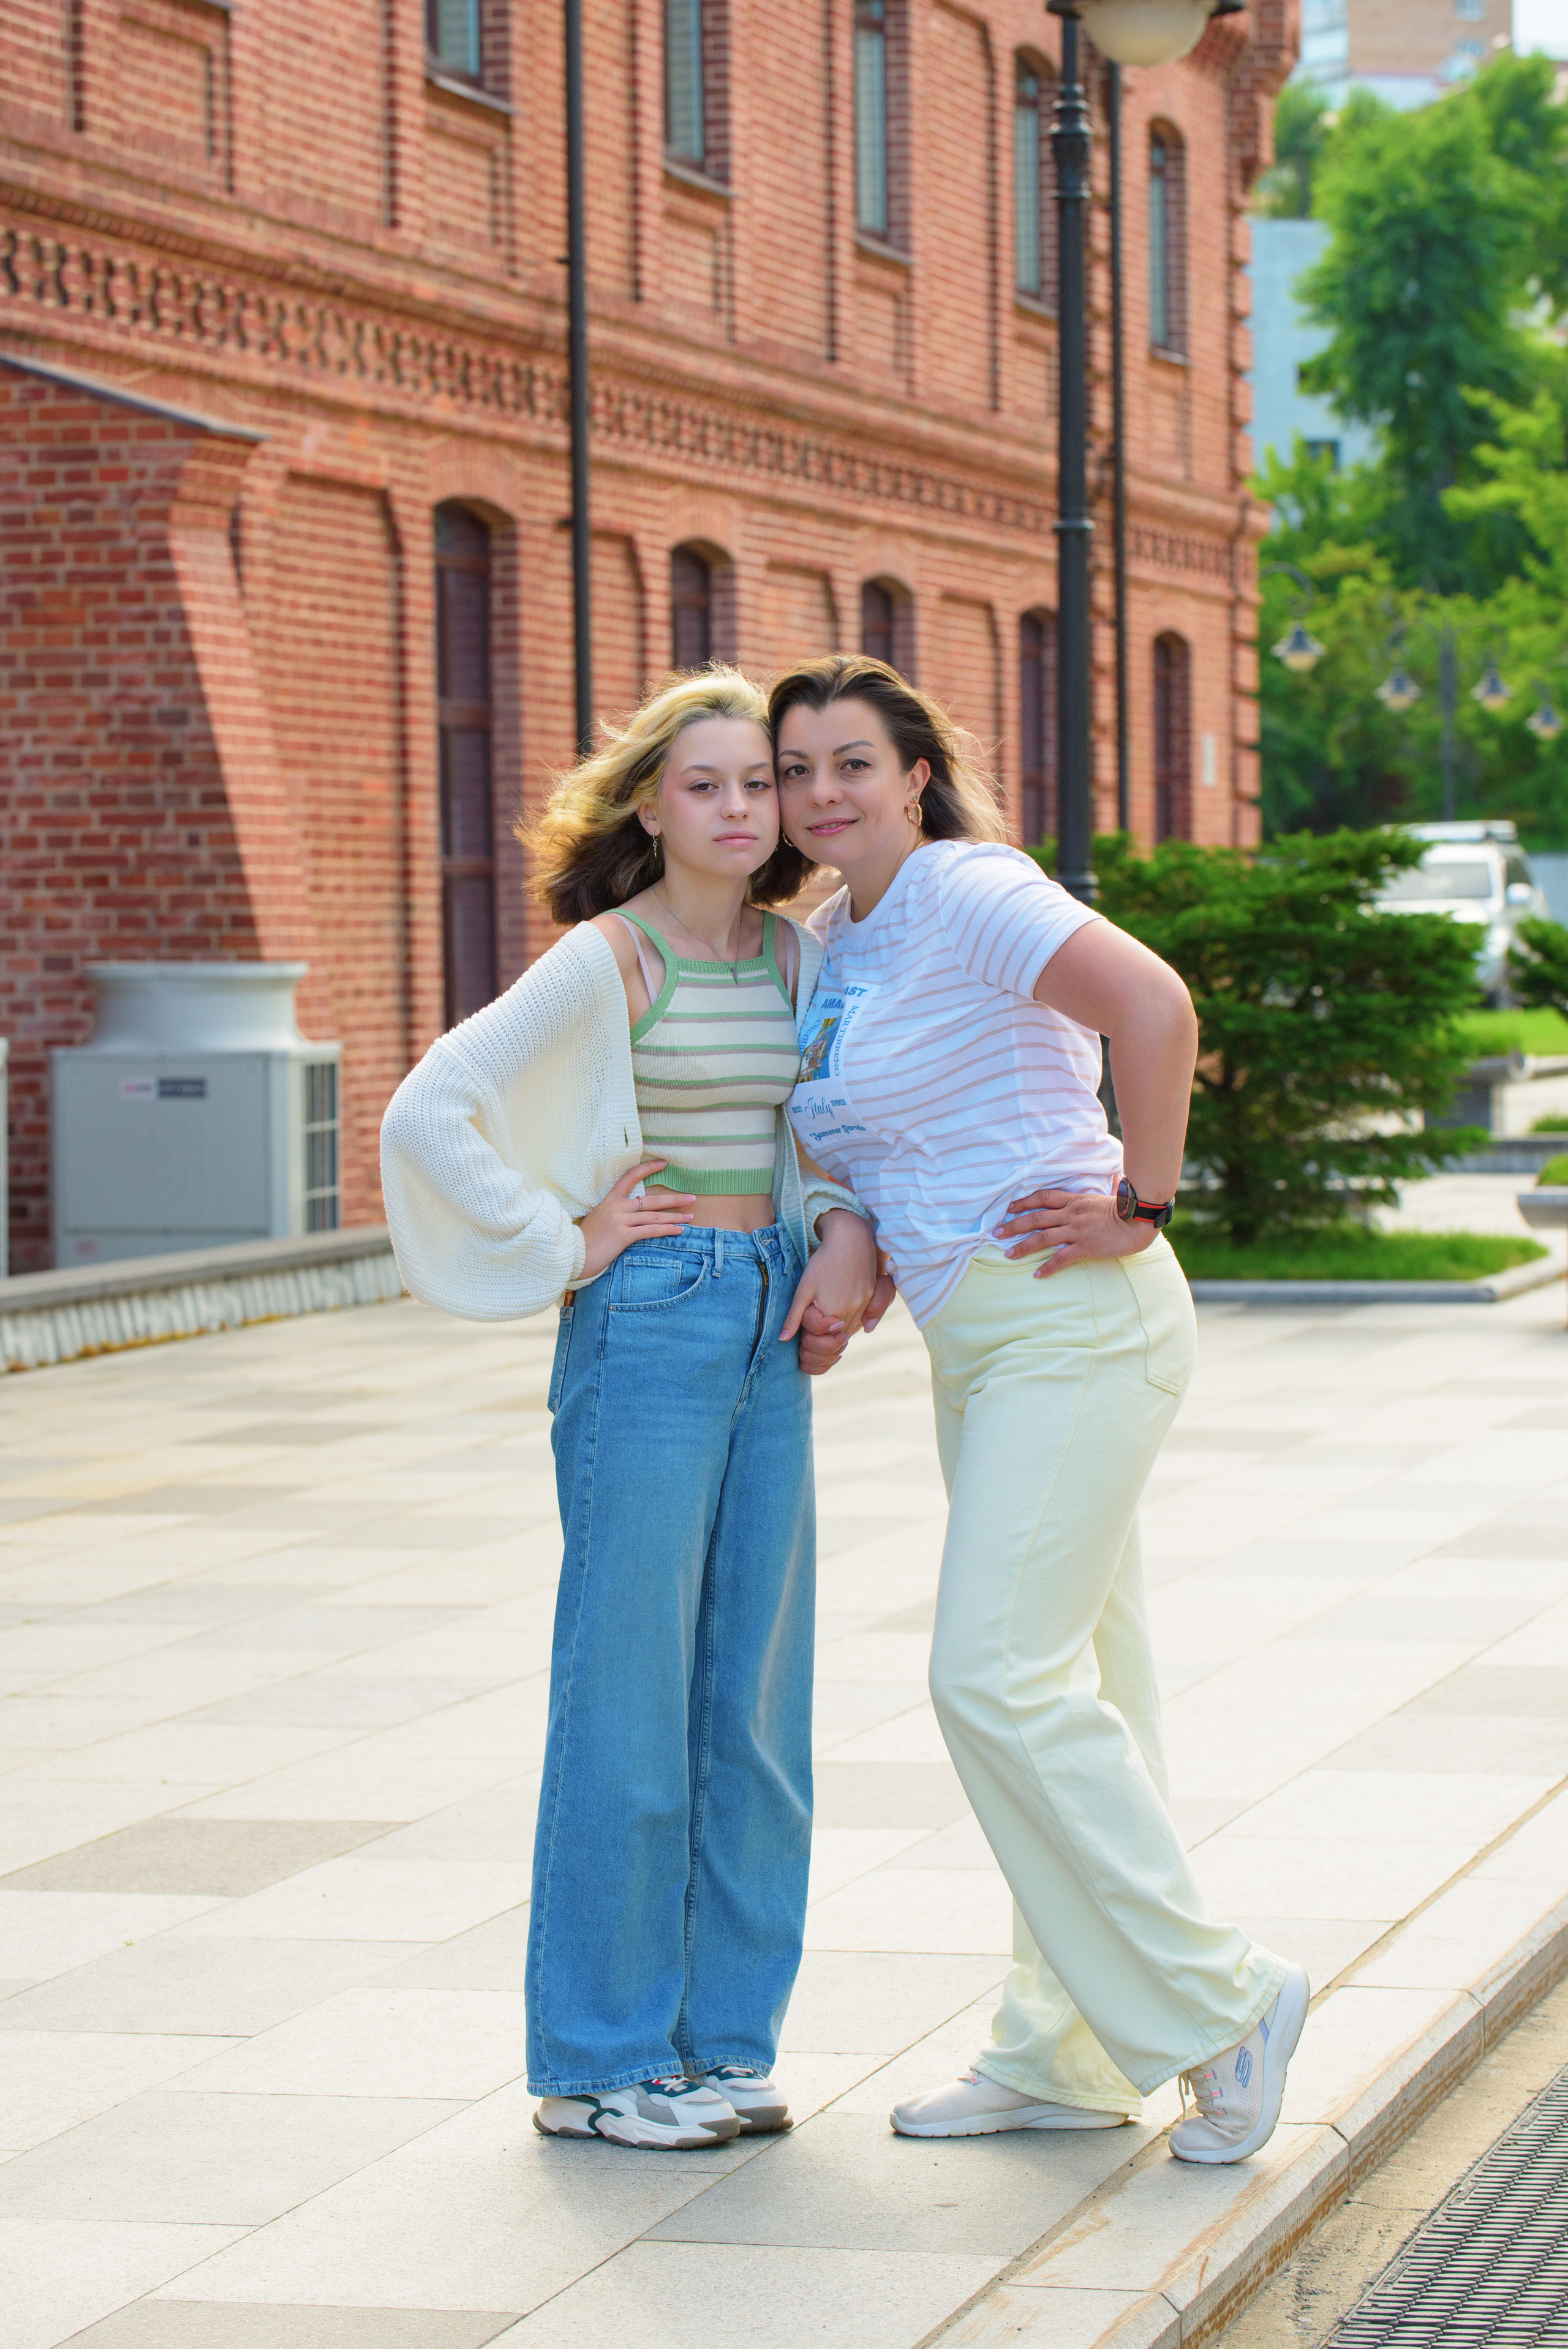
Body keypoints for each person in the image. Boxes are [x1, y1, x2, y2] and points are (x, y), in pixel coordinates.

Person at [770, 653, 1308, 2167]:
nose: (819, 794)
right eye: (798, 767)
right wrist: (855, 1232)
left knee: (989, 1676)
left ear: (914, 775)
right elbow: (855, 1133)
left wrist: (1141, 1195)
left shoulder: (963, 891)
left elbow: (1150, 1000)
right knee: (1083, 1691)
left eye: (849, 764)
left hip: (1076, 1322)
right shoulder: (834, 938)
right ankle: (1063, 2048)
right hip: (980, 1342)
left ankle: (1227, 2002)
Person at [381, 668, 876, 2152]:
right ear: (650, 806)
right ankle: (598, 2062)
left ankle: (720, 2043)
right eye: (704, 784)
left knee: (753, 1705)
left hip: (768, 1320)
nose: (737, 808)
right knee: (627, 1701)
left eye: (756, 784)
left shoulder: (802, 959)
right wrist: (559, 1243)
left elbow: (834, 1126)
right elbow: (429, 1108)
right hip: (650, 1323)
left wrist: (840, 1230)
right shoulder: (612, 959)